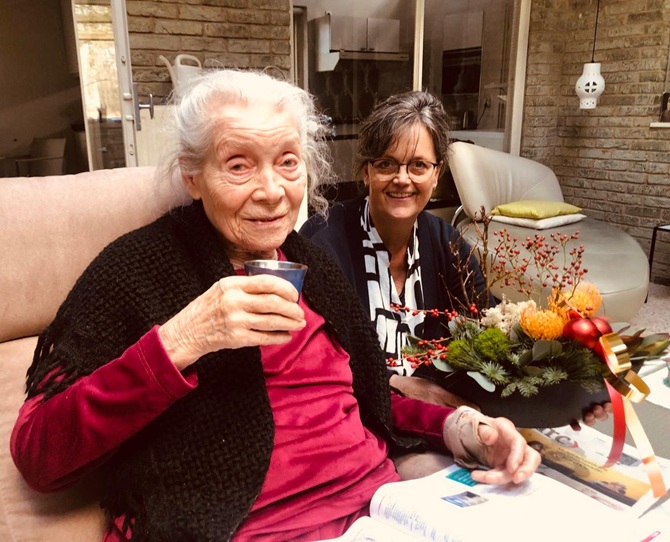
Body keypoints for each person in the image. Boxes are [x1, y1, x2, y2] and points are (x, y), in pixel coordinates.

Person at [10, 70, 541, 541]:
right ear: (192, 176)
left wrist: (465, 429)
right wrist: (183, 340)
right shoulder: (136, 270)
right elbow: (39, 455)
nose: (272, 191)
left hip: (381, 511)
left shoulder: (314, 265)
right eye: (239, 165)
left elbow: (369, 401)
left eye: (288, 163)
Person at [300, 91, 610, 426]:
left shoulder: (446, 243)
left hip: (437, 420)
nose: (402, 179)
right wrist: (396, 384)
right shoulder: (323, 242)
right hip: (355, 419)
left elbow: (489, 327)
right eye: (386, 164)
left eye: (418, 165)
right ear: (366, 173)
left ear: (436, 175)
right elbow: (313, 363)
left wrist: (560, 396)